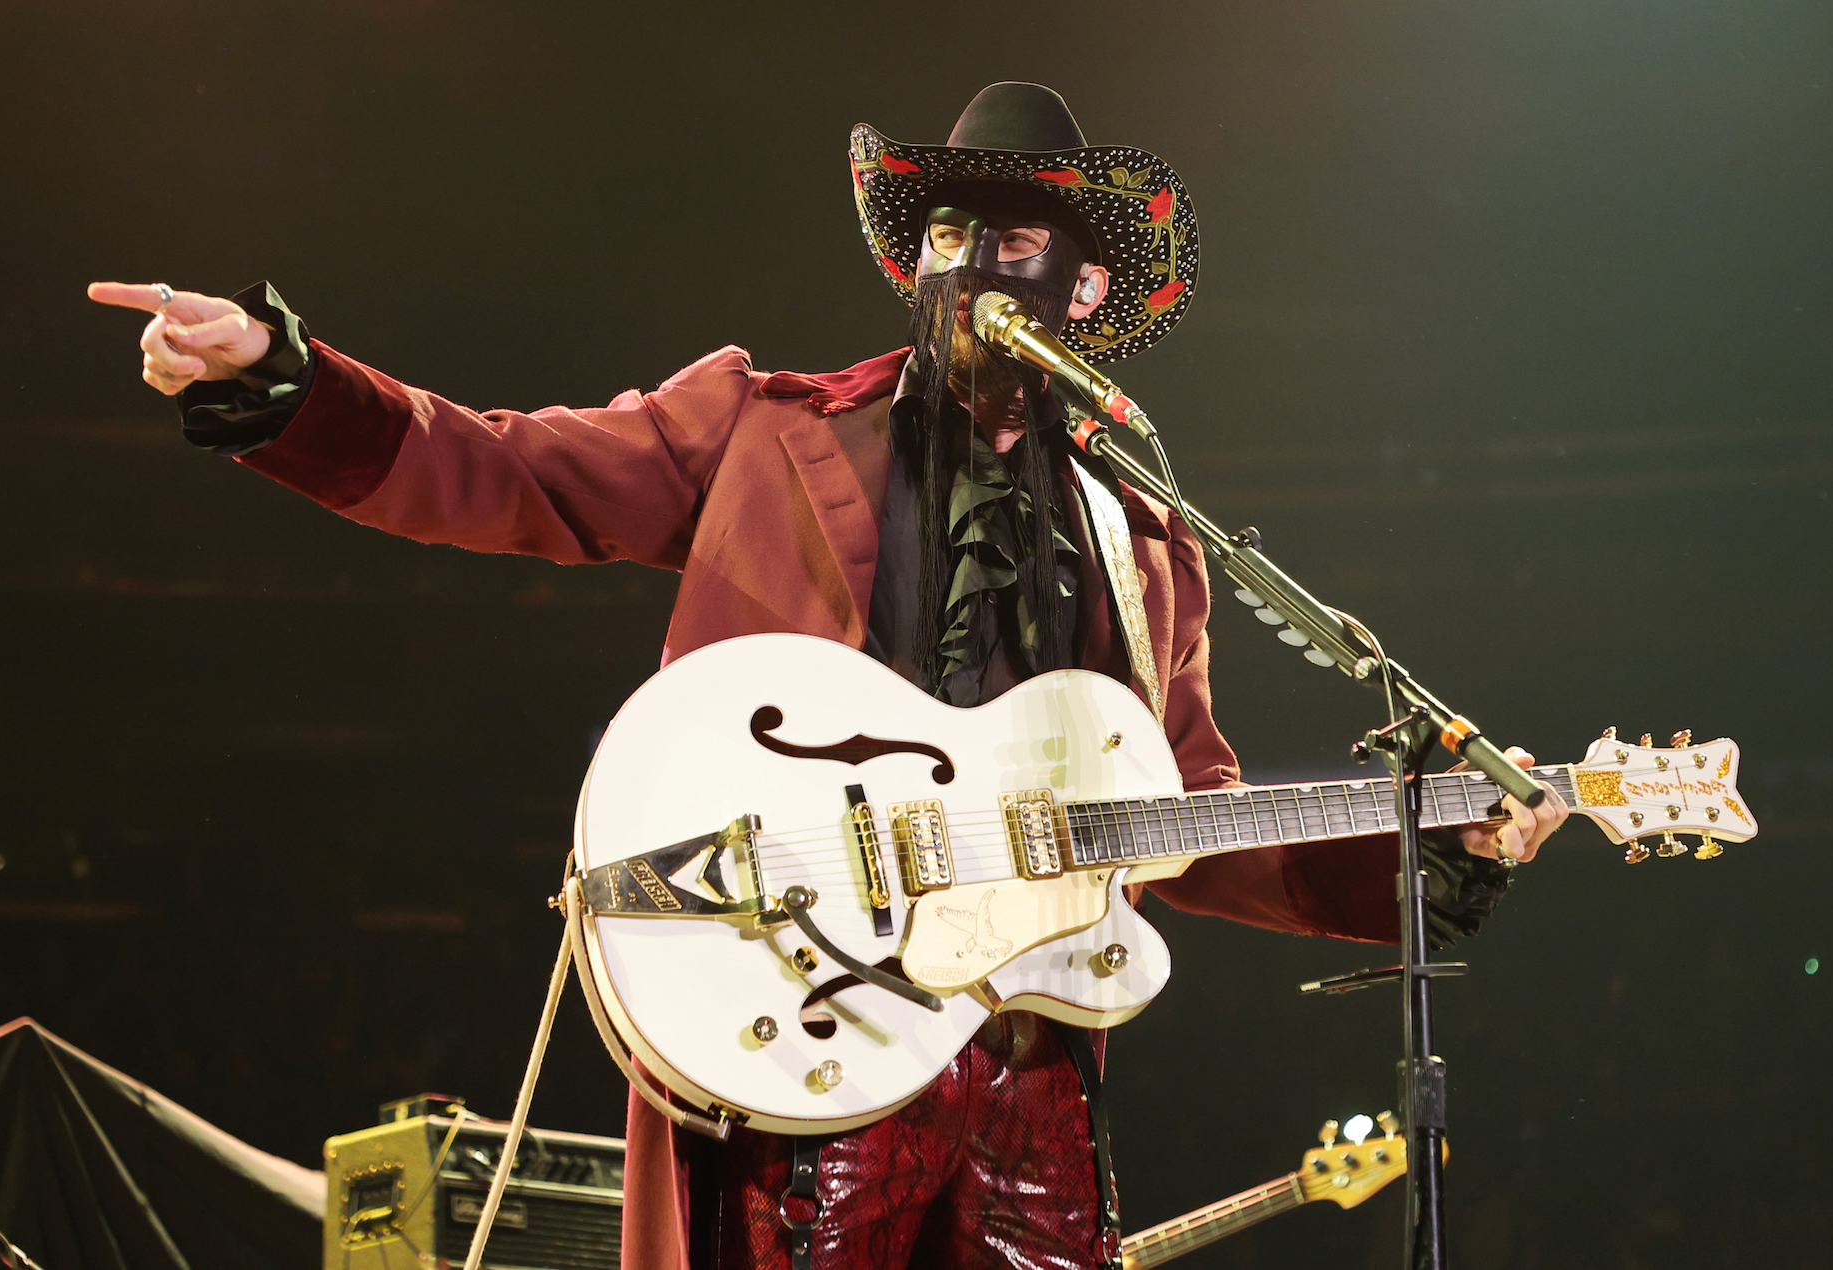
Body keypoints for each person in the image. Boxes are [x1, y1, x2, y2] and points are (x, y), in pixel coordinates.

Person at [90, 82, 1565, 1270]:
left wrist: (1423, 850)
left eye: (1008, 240)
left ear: (1085, 282)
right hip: (812, 1019)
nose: (963, 264)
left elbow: (1185, 820)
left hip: (1030, 1057)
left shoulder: (1145, 535)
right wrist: (282, 382)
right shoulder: (764, 429)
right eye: (942, 234)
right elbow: (511, 468)